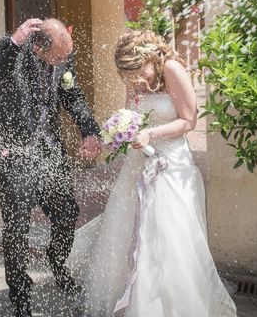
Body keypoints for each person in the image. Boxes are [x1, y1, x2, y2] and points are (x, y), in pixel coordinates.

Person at [70, 30, 237, 316]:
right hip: (137, 165)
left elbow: (188, 120)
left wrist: (151, 133)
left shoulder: (171, 68)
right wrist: (111, 138)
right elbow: (129, 116)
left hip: (171, 166)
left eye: (137, 72)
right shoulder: (134, 79)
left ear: (148, 57)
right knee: (129, 232)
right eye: (128, 76)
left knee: (168, 237)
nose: (135, 81)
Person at [0, 18, 102, 317]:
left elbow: (72, 95)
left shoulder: (62, 58)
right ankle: (20, 293)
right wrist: (13, 42)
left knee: (67, 213)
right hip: (12, 153)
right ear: (38, 47)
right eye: (57, 57)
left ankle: (56, 263)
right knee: (17, 226)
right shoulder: (14, 51)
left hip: (49, 152)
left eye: (65, 57)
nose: (62, 62)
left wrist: (89, 131)